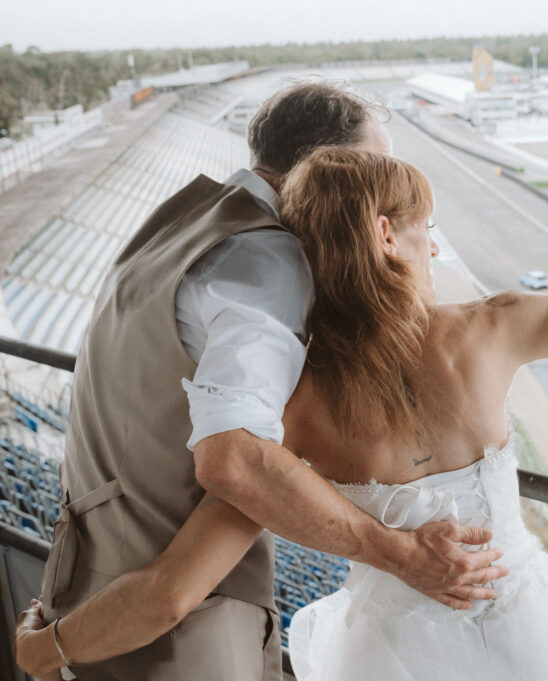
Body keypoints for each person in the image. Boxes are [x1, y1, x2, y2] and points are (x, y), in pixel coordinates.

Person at [20, 146, 548, 679]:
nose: (435, 243)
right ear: (386, 236)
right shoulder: (494, 331)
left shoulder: (286, 420)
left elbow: (170, 594)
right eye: (425, 224)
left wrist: (42, 651)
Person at [15, 85, 506, 681]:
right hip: (182, 639)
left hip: (89, 594)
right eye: (376, 169)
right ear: (326, 171)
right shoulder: (269, 263)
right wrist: (401, 554)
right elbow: (234, 463)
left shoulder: (177, 221)